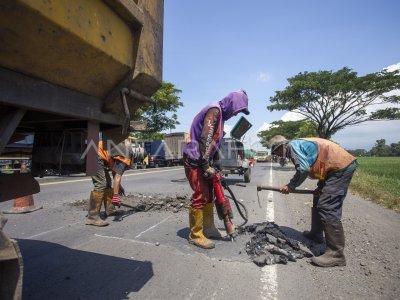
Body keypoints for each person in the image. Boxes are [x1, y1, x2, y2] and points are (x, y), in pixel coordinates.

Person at [269, 135, 357, 267]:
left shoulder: (292, 147)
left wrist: (291, 185)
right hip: (332, 168)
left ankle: (336, 254)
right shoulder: (298, 145)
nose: (277, 155)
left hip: (340, 167)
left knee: (327, 206)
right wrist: (321, 185)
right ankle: (316, 234)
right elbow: (317, 161)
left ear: (282, 146)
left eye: (276, 152)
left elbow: (303, 169)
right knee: (318, 197)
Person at [183, 90, 250, 249]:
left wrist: (212, 164)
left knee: (209, 195)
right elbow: (205, 138)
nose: (236, 114)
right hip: (195, 159)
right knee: (200, 195)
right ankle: (195, 234)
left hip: (202, 159)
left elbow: (213, 143)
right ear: (232, 104)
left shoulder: (219, 116)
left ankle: (209, 228)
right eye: (237, 110)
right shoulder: (215, 110)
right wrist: (205, 164)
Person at [86, 138, 132, 227]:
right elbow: (118, 176)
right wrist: (115, 196)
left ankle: (110, 210)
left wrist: (119, 187)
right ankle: (92, 217)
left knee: (107, 182)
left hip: (97, 154)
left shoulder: (123, 152)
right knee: (100, 184)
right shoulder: (126, 156)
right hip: (95, 154)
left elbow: (115, 173)